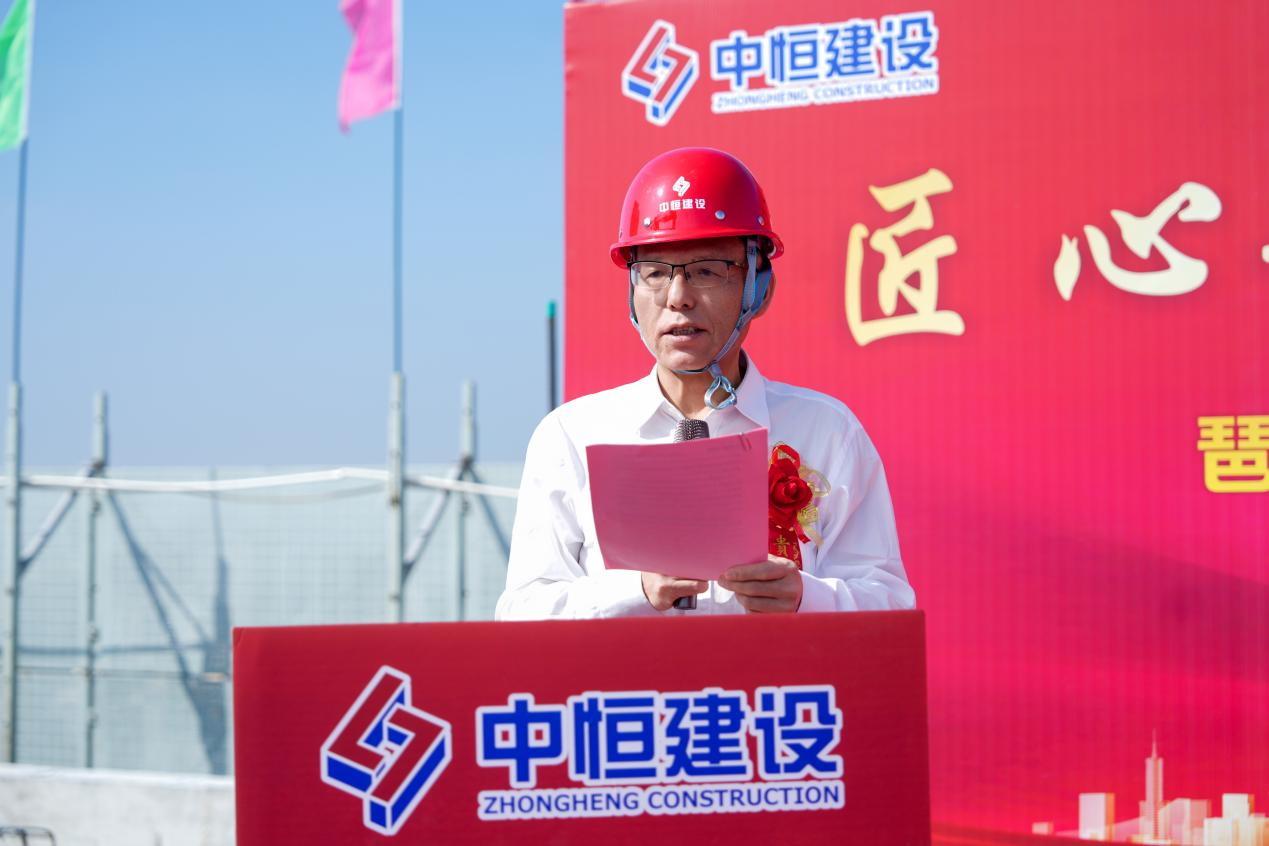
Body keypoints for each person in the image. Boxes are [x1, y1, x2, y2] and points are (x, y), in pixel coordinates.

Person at [495, 147, 913, 620]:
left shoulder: (826, 430)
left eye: (707, 271)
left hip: (776, 673)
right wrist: (635, 591)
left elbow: (889, 605)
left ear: (760, 288)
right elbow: (522, 612)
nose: (678, 297)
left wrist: (805, 597)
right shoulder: (572, 435)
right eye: (655, 273)